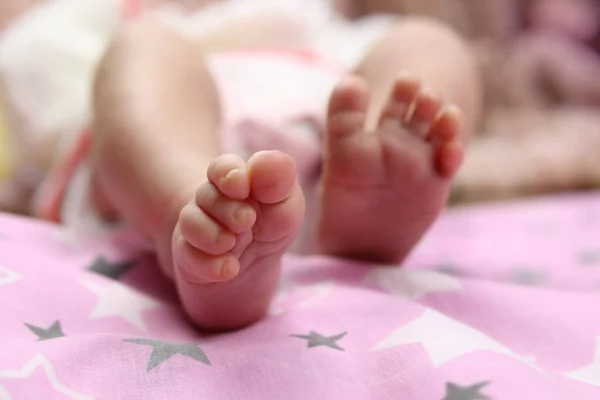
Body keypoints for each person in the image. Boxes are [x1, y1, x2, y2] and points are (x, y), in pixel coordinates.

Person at [0, 0, 481, 330]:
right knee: (141, 47)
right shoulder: (103, 19)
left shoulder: (306, 19)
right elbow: (34, 69)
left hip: (325, 150)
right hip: (164, 162)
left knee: (428, 40)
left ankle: (377, 176)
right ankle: (187, 219)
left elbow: (375, 50)